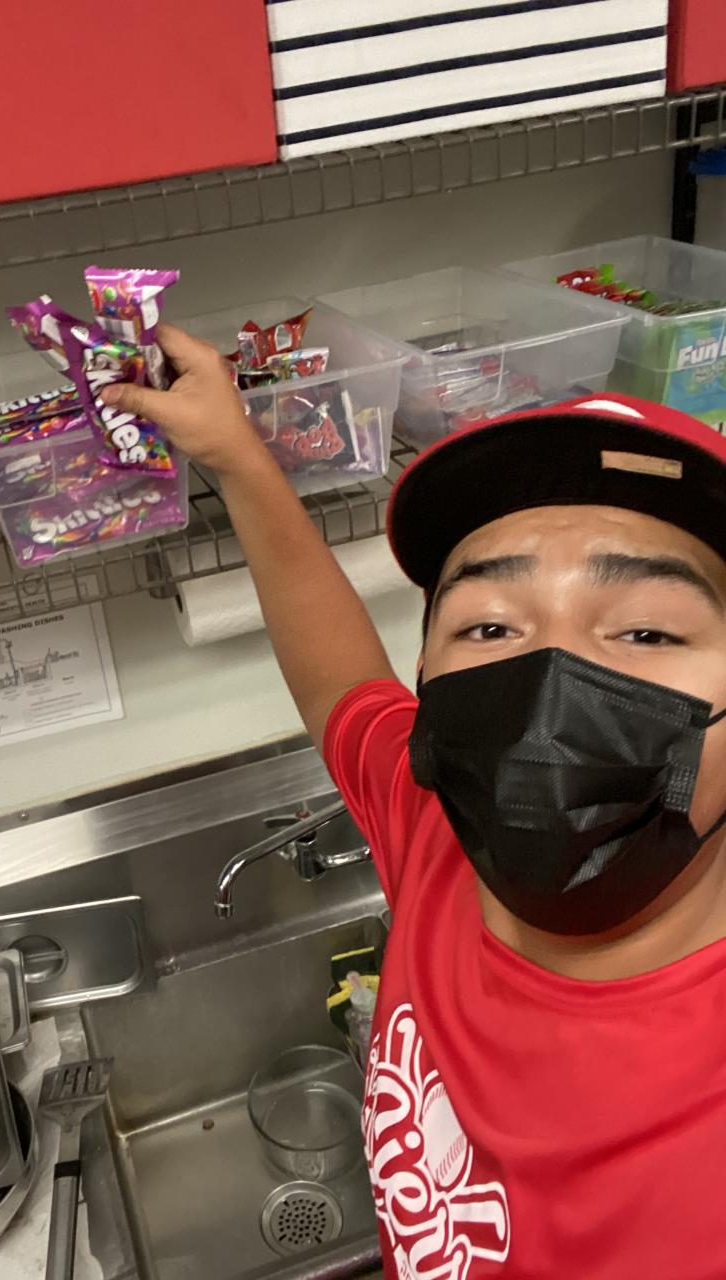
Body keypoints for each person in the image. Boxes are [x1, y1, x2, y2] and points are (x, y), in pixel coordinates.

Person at [101, 325, 726, 1280]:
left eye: (645, 631)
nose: (547, 697)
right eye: (490, 626)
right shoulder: (430, 830)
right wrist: (235, 456)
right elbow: (339, 682)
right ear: (429, 674)